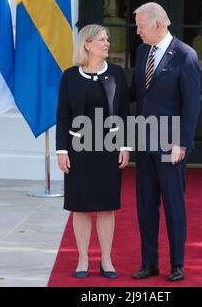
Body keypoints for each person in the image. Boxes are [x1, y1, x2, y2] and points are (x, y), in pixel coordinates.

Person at [131, 3, 201, 282]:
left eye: (141, 26)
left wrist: (181, 143)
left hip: (170, 144)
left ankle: (177, 264)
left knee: (173, 205)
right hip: (144, 140)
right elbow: (136, 93)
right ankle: (149, 263)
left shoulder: (186, 56)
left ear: (158, 25)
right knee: (145, 205)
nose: (137, 32)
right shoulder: (141, 52)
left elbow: (191, 104)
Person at [56, 24, 131, 279]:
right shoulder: (69, 76)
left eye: (107, 39)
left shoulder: (117, 74)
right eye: (101, 39)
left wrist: (124, 146)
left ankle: (107, 260)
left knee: (106, 206)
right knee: (80, 207)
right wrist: (61, 151)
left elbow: (123, 113)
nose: (107, 43)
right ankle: (83, 260)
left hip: (108, 150)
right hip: (78, 150)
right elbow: (63, 116)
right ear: (87, 44)